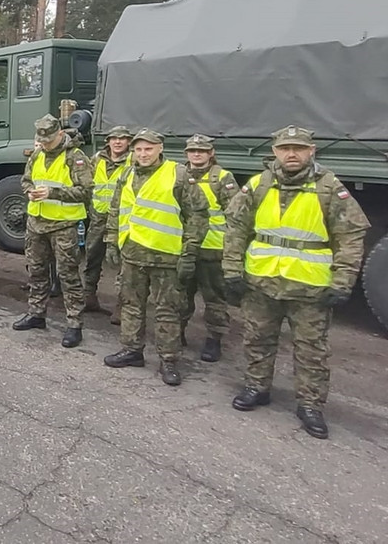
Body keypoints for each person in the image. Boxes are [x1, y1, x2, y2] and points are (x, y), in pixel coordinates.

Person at [223, 126, 370, 440]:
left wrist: (343, 281)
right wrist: (232, 269)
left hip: (309, 288)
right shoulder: (259, 184)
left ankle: (310, 405)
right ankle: (256, 387)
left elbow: (350, 238)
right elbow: (235, 228)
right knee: (257, 338)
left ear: (311, 151)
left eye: (299, 149)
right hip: (262, 282)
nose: (292, 154)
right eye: (285, 148)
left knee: (311, 350)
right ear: (275, 151)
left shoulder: (329, 188)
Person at [103, 129, 209, 386]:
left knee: (168, 312)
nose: (143, 154)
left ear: (160, 148)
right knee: (131, 306)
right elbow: (117, 209)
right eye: (138, 149)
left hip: (167, 259)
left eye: (148, 149)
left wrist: (189, 252)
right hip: (133, 255)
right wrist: (111, 241)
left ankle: (169, 361)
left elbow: (199, 215)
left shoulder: (178, 174)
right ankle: (132, 350)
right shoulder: (127, 173)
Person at [14, 115, 95, 348]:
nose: (46, 144)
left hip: (63, 226)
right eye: (42, 140)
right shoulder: (38, 154)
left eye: (49, 140)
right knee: (36, 271)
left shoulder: (75, 157)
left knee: (68, 275)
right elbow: (26, 180)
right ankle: (36, 313)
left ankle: (74, 324)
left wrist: (53, 193)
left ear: (60, 134)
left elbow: (86, 191)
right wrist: (29, 191)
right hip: (36, 223)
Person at [179, 134, 239, 362]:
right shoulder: (179, 175)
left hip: (213, 249)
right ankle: (178, 333)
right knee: (181, 296)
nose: (197, 154)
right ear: (187, 153)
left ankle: (214, 340)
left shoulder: (223, 178)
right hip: (185, 248)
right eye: (193, 151)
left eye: (202, 151)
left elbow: (235, 215)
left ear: (210, 153)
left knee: (214, 299)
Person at [83, 125, 132, 323]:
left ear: (128, 142)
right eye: (114, 138)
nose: (118, 142)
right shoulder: (97, 159)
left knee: (122, 265)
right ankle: (89, 297)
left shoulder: (134, 161)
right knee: (92, 257)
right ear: (108, 141)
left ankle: (121, 306)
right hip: (98, 218)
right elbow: (87, 184)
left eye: (122, 138)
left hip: (123, 221)